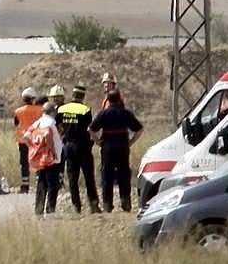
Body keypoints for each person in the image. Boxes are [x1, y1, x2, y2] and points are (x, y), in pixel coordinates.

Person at [90, 89, 144, 213]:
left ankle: (107, 205)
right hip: (122, 146)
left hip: (107, 146)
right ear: (120, 98)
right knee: (124, 174)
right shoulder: (126, 113)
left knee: (107, 175)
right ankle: (126, 203)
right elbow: (139, 129)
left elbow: (91, 129)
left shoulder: (103, 113)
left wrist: (98, 141)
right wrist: (131, 142)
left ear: (108, 100)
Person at [57, 85, 101, 214]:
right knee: (89, 177)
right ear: (83, 96)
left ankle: (76, 206)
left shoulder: (62, 109)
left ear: (73, 95)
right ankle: (93, 205)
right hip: (83, 147)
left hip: (68, 146)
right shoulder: (85, 110)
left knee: (72, 178)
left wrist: (63, 135)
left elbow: (57, 125)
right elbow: (90, 129)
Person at [25, 101, 65, 217]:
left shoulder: (37, 122)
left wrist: (34, 148)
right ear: (52, 111)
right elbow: (48, 136)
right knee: (53, 185)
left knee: (41, 184)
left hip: (40, 158)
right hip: (51, 158)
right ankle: (50, 211)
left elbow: (26, 136)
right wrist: (53, 151)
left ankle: (38, 211)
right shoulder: (51, 123)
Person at [13, 88, 41, 194]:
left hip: (23, 141)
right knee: (38, 161)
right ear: (33, 99)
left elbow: (16, 124)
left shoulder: (18, 111)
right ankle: (39, 184)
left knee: (24, 163)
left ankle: (25, 186)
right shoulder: (40, 110)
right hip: (36, 140)